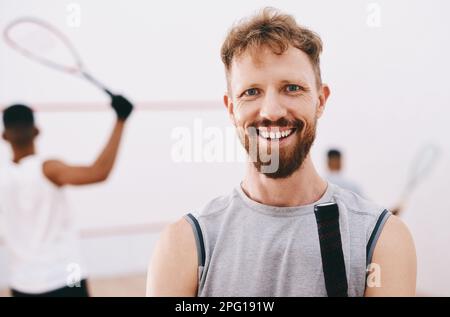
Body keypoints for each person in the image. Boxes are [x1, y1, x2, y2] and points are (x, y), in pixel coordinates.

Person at [147, 8, 416, 296]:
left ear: (321, 100)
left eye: (291, 88)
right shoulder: (183, 245)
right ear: (230, 108)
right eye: (251, 92)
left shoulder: (381, 239)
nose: (272, 111)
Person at [0, 95, 133, 297]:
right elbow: (98, 172)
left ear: (4, 136)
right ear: (36, 131)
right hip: (66, 279)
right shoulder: (48, 169)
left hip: (22, 285)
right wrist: (121, 120)